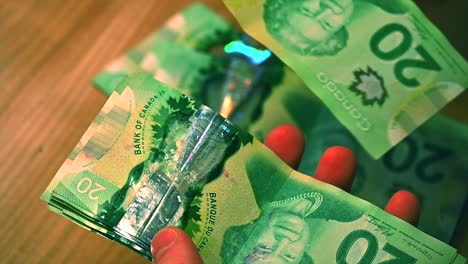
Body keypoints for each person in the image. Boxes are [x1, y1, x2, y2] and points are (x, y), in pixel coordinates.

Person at [150, 125, 420, 264]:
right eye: (290, 257)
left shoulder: (252, 168)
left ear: (249, 230)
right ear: (304, 253)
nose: (285, 242)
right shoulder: (347, 211)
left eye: (265, 248)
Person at [262, 0, 407, 56]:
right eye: (327, 24)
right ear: (344, 23)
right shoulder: (397, 5)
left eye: (307, 10)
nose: (327, 10)